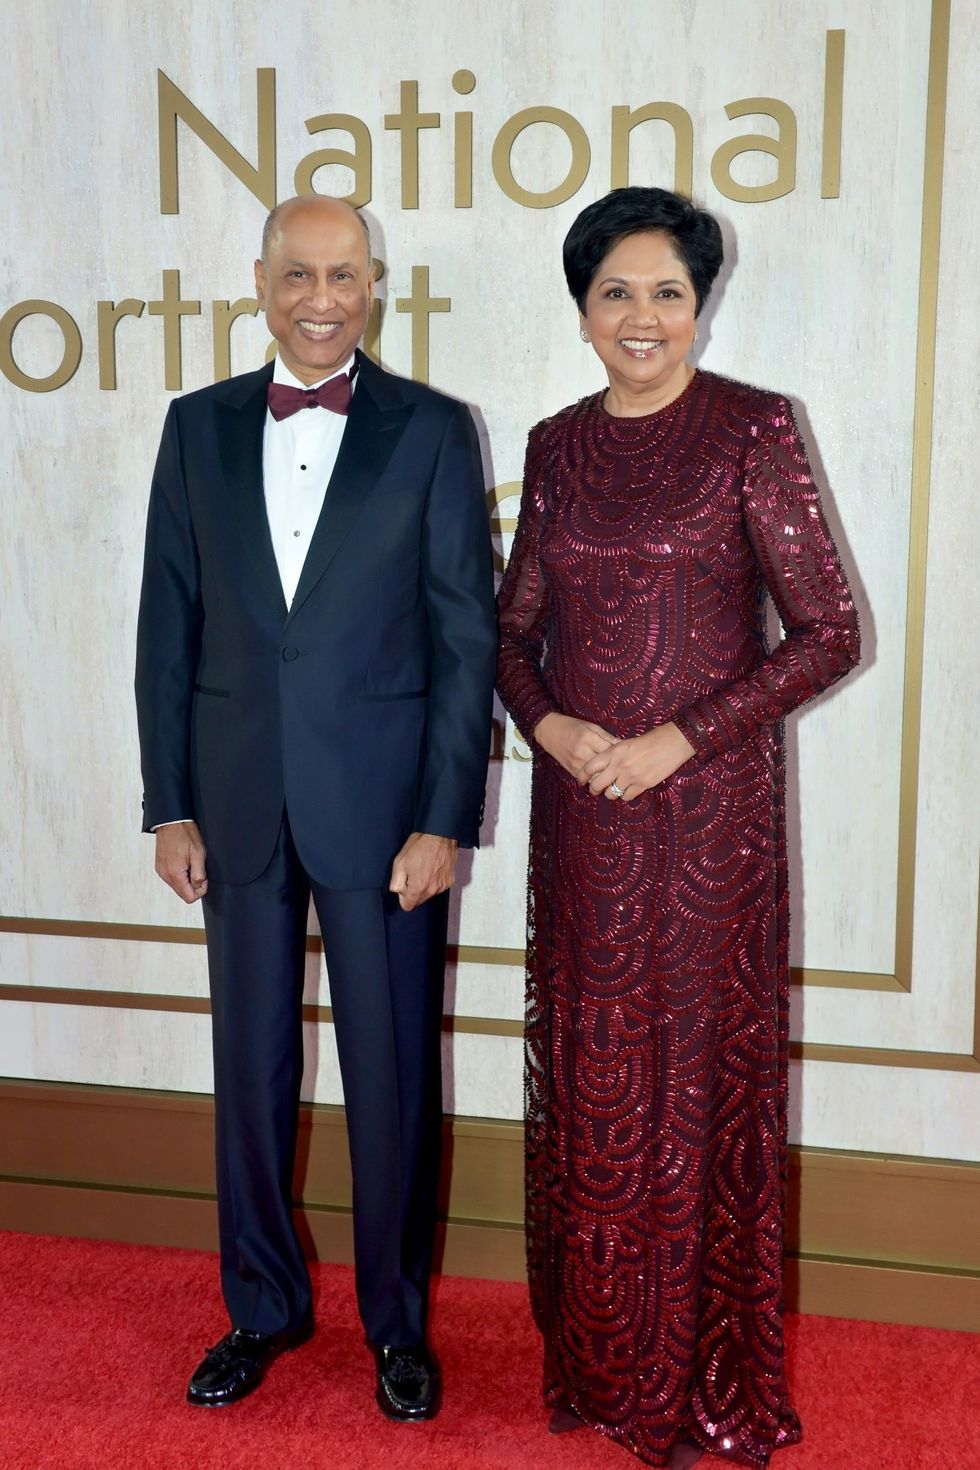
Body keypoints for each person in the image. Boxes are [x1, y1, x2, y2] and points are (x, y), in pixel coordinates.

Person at [496, 186, 860, 1467]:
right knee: (597, 1075)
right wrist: (553, 730)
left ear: (700, 307)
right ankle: (602, 1361)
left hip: (711, 825)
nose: (640, 316)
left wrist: (678, 740)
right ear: (581, 310)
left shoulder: (750, 429)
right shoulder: (552, 446)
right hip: (584, 816)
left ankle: (697, 1375)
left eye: (666, 291)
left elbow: (828, 634)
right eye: (615, 292)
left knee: (697, 1080)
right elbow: (509, 632)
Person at [135, 195, 496, 1419]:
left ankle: (396, 1324)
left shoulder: (436, 431)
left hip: (386, 809)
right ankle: (261, 1308)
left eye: (345, 274)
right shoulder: (195, 428)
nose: (321, 297)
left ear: (377, 286)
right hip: (231, 801)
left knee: (390, 1074)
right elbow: (165, 627)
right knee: (249, 1070)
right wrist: (166, 802)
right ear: (259, 280)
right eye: (299, 273)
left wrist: (444, 816)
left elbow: (465, 640)